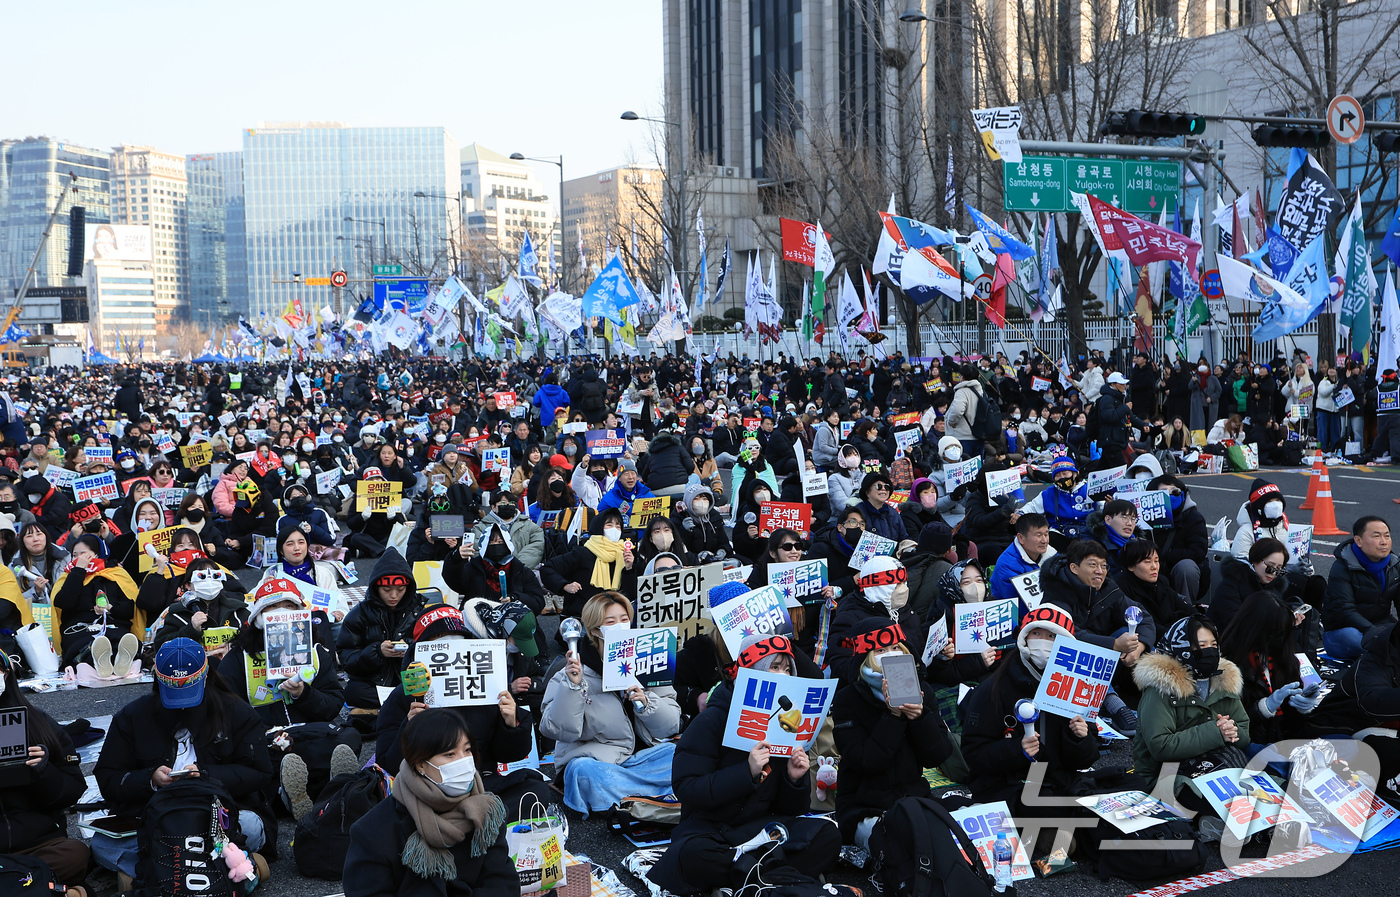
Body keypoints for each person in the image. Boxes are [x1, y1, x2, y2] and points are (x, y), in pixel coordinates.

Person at [646, 633, 844, 897]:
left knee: (828, 835)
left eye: (787, 669)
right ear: (753, 671)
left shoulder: (787, 722)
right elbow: (687, 787)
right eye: (775, 667)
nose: (783, 675)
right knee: (691, 855)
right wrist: (746, 772)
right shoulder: (713, 719)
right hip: (712, 831)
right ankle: (773, 878)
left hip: (763, 829)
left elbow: (792, 810)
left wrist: (794, 779)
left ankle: (747, 880)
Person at [92, 638, 273, 884]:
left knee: (250, 825)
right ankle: (237, 866)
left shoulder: (235, 711)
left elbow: (259, 772)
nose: (181, 706)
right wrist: (150, 780)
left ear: (206, 676)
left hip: (218, 815)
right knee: (101, 842)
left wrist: (206, 776)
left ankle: (148, 873)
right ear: (158, 679)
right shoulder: (133, 716)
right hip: (155, 818)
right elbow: (108, 776)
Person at [374, 605, 548, 817]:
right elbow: (388, 765)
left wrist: (511, 723)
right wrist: (408, 728)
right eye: (438, 636)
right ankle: (472, 821)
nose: (449, 642)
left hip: (481, 783)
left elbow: (511, 754)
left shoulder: (489, 688)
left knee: (534, 790)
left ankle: (461, 822)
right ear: (421, 648)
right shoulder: (403, 696)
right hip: (426, 791)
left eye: (456, 634)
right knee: (388, 812)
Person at [217, 577, 361, 819]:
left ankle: (309, 794)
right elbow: (226, 711)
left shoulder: (315, 652)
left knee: (350, 737)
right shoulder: (238, 659)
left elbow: (333, 705)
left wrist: (304, 693)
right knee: (255, 762)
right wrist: (269, 734)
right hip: (267, 740)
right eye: (272, 607)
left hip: (310, 732)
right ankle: (325, 794)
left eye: (289, 606)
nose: (282, 612)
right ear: (258, 617)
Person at [344, 709, 517, 897]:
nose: (464, 761)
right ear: (420, 764)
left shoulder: (487, 812)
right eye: (450, 754)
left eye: (467, 750)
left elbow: (502, 882)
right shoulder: (374, 830)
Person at [538, 591, 681, 814]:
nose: (621, 626)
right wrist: (573, 687)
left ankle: (629, 798)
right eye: (611, 622)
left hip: (642, 758)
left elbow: (671, 726)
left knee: (679, 754)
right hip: (599, 763)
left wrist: (646, 701)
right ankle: (657, 796)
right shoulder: (572, 672)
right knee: (583, 772)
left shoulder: (648, 658)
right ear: (595, 629)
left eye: (624, 619)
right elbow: (555, 729)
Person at [961, 606, 1102, 813]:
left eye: (1052, 636)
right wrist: (1017, 750)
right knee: (1050, 807)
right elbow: (973, 753)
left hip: (1057, 780)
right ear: (1024, 638)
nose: (1043, 641)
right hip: (1009, 784)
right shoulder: (993, 689)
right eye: (1036, 633)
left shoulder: (1076, 689)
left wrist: (1080, 738)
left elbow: (1086, 759)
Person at [830, 618, 955, 849]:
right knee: (904, 843)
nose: (890, 654)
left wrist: (919, 718)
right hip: (865, 807)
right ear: (866, 656)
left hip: (914, 798)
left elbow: (938, 755)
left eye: (896, 647)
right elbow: (866, 762)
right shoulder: (847, 699)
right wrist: (893, 717)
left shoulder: (922, 689)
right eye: (880, 650)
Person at [0, 650, 90, 885]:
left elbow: (73, 788)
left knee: (75, 853)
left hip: (39, 846)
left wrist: (43, 769)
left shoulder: (39, 723)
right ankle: (34, 884)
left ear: (6, 675)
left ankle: (21, 883)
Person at [1132, 615, 1249, 792]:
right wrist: (1217, 732)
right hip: (1163, 777)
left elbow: (1244, 734)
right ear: (1183, 648)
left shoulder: (1223, 682)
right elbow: (1160, 746)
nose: (1209, 651)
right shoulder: (1160, 689)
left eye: (1213, 645)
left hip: (1215, 765)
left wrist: (1231, 731)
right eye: (1201, 646)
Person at [1221, 591, 1322, 746]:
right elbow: (1230, 725)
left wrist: (1304, 706)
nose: (1279, 638)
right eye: (1274, 632)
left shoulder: (1283, 655)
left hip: (1282, 737)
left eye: (1283, 632)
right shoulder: (1229, 665)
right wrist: (1263, 708)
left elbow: (1292, 719)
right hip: (1251, 744)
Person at [337, 548, 428, 709]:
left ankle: (391, 705)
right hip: (373, 680)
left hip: (409, 678)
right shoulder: (360, 613)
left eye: (400, 590)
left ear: (408, 588)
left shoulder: (419, 611)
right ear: (376, 587)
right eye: (387, 590)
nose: (393, 595)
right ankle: (400, 704)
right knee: (353, 691)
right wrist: (377, 651)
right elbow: (347, 658)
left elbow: (431, 650)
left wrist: (409, 650)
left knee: (426, 688)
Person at [50, 534, 143, 674]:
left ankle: (121, 659)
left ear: (98, 554)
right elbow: (63, 602)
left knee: (119, 639)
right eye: (75, 555)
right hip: (80, 628)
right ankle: (99, 660)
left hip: (113, 624)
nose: (78, 558)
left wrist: (111, 608)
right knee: (85, 645)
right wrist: (79, 571)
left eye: (84, 554)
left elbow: (131, 608)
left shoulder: (116, 573)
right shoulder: (68, 576)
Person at [1323, 516, 1399, 660]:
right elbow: (1345, 611)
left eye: (1387, 536)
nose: (1384, 542)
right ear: (1358, 541)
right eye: (1376, 536)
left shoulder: (1394, 565)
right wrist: (1374, 633)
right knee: (1355, 638)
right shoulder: (1342, 567)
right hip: (1342, 631)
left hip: (1380, 626)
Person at [540, 508, 636, 619]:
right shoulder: (583, 552)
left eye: (618, 526)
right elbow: (548, 568)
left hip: (612, 617)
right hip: (581, 616)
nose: (615, 529)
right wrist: (565, 585)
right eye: (609, 525)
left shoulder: (623, 555)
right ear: (598, 527)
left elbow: (629, 596)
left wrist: (629, 569)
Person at [1207, 537, 1301, 631]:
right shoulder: (1232, 583)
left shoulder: (1275, 587)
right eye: (1270, 567)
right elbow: (1234, 624)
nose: (1273, 573)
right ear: (1255, 560)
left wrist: (1287, 621)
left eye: (1279, 570)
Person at [1113, 539, 1192, 633]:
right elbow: (1143, 625)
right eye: (1147, 562)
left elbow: (1185, 608)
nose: (1154, 566)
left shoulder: (1162, 583)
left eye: (1156, 561)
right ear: (1131, 566)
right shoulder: (1121, 589)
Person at [989, 512, 1057, 607]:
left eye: (1046, 534)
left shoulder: (1052, 555)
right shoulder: (1007, 565)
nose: (1044, 540)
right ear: (1021, 538)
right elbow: (1019, 606)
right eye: (1038, 535)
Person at [1019, 456, 1094, 541]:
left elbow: (1103, 508)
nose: (1062, 477)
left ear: (1075, 474)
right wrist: (1020, 513)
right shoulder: (1048, 493)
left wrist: (1108, 504)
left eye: (1065, 473)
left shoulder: (1090, 489)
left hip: (1088, 534)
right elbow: (1032, 507)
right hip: (1059, 536)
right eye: (1058, 475)